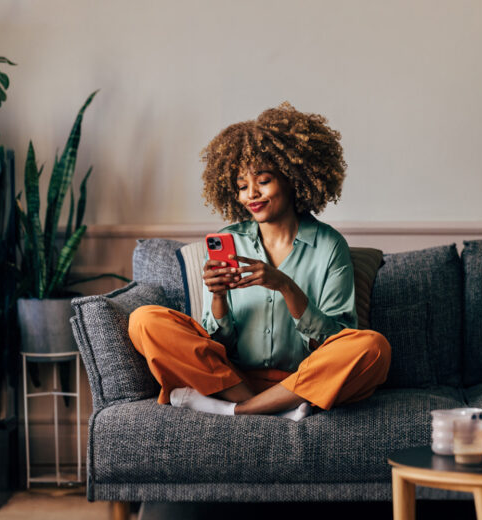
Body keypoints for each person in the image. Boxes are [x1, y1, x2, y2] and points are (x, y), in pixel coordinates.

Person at [128, 102, 391, 421]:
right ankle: (271, 409)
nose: (251, 194)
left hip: (302, 381)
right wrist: (218, 297)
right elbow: (214, 345)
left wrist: (284, 285)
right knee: (144, 320)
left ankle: (241, 410)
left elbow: (338, 338)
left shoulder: (328, 245)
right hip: (232, 378)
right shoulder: (230, 241)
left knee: (372, 347)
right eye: (241, 186)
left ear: (293, 178)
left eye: (263, 181)